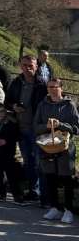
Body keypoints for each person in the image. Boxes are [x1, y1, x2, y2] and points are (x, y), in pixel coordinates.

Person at [6, 55, 48, 204]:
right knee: (28, 161)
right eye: (24, 65)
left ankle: (42, 194)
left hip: (37, 129)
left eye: (31, 65)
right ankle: (33, 191)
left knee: (39, 162)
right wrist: (14, 106)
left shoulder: (42, 84)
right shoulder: (16, 82)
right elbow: (7, 101)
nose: (27, 68)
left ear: (36, 66)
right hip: (21, 128)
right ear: (20, 66)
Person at [35, 78, 78, 224]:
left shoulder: (69, 105)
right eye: (49, 87)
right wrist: (46, 126)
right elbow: (35, 126)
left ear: (61, 88)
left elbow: (76, 128)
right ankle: (55, 207)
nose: (52, 89)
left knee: (66, 179)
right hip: (47, 146)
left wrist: (61, 125)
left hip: (65, 147)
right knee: (50, 177)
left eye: (55, 87)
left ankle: (68, 210)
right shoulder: (42, 105)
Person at [0, 104, 24, 204]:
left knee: (12, 174)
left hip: (8, 152)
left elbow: (16, 136)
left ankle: (17, 195)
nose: (0, 113)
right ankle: (2, 194)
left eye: (2, 111)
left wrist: (6, 141)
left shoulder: (11, 122)